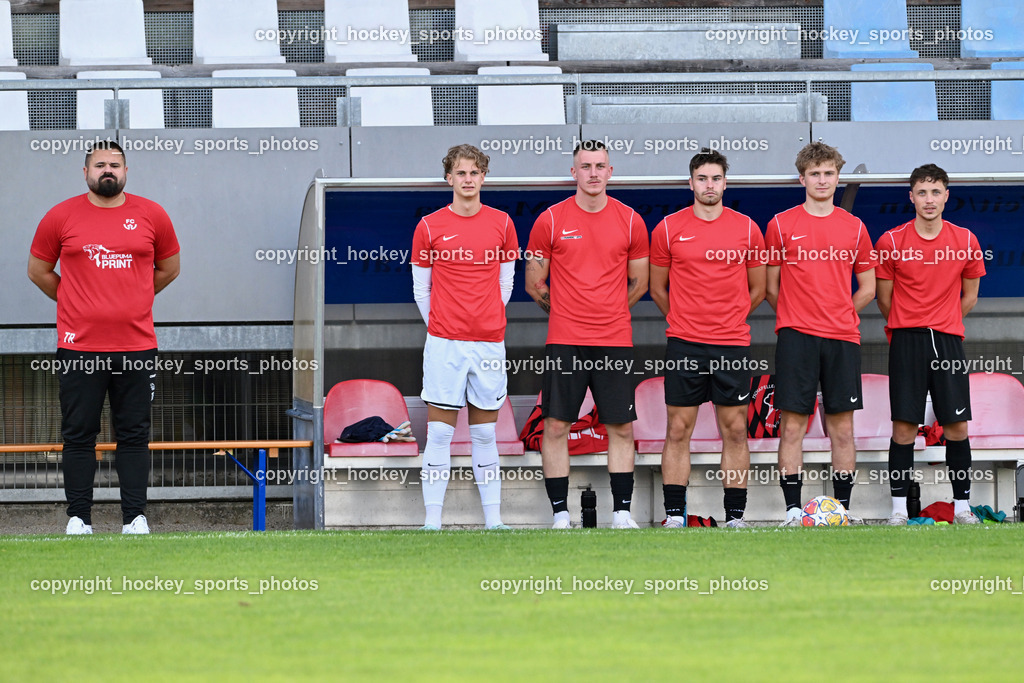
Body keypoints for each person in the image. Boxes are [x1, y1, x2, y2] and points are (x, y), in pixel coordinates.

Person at [28, 140, 180, 535]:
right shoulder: (60, 216)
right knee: (79, 435)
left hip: (137, 347)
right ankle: (79, 518)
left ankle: (135, 519)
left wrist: (135, 298)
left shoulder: (152, 215)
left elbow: (169, 268)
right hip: (79, 347)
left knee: (134, 435)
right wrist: (75, 302)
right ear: (86, 172)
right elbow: (38, 271)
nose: (107, 170)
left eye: (114, 164)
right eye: (99, 165)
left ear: (126, 171)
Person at [525, 140, 649, 529]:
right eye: (585, 166)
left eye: (599, 166)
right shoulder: (549, 219)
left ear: (610, 171)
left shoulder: (631, 220)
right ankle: (561, 515)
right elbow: (534, 283)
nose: (593, 173)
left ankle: (622, 513)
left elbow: (640, 282)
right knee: (556, 425)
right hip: (565, 340)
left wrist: (607, 314)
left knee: (621, 427)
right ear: (573, 172)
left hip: (615, 340)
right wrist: (569, 314)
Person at [649, 149, 766, 529]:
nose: (709, 185)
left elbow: (759, 289)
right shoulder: (668, 228)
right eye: (702, 179)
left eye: (716, 178)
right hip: (684, 343)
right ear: (691, 183)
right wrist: (684, 319)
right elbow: (657, 288)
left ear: (725, 183)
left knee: (735, 430)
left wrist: (729, 319)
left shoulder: (747, 228)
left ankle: (735, 517)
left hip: (732, 344)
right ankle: (674, 516)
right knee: (677, 429)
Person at [764, 141, 877, 526]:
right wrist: (797, 315)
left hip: (842, 338)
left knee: (842, 428)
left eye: (829, 173)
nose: (823, 180)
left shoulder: (855, 227)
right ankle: (793, 511)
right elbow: (770, 286)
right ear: (802, 179)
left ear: (838, 177)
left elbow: (868, 288)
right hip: (796, 338)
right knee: (793, 425)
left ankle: (842, 509)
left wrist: (840, 312)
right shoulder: (780, 224)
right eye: (815, 174)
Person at [410, 144, 518, 530]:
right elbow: (421, 290)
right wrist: (443, 325)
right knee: (439, 433)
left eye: (474, 172)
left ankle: (494, 522)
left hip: (488, 341)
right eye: (461, 173)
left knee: (485, 433)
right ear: (449, 178)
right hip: (445, 343)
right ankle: (432, 523)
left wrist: (484, 318)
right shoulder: (428, 226)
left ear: (484, 177)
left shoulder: (503, 223)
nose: (468, 179)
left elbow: (506, 283)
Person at [875, 164, 986, 525]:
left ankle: (963, 508)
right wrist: (910, 323)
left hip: (948, 341)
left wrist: (944, 320)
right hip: (906, 340)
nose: (929, 199)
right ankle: (897, 511)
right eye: (922, 192)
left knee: (957, 426)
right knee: (904, 427)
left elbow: (970, 296)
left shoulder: (965, 240)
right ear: (911, 197)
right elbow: (884, 299)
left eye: (935, 192)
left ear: (946, 196)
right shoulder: (891, 241)